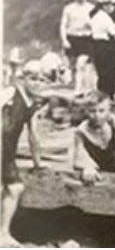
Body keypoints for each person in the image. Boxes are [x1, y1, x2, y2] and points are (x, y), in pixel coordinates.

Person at [0, 81, 45, 246]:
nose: (37, 83)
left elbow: (34, 137)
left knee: (15, 188)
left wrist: (38, 163)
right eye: (32, 78)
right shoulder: (11, 91)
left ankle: (3, 233)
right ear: (23, 79)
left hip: (7, 151)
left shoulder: (30, 104)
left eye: (41, 79)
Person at [60, 0, 95, 94]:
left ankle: (79, 89)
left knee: (82, 64)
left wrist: (91, 26)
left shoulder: (91, 8)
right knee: (72, 66)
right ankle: (76, 86)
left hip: (86, 38)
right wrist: (64, 40)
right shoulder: (69, 8)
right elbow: (63, 25)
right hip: (72, 38)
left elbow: (96, 24)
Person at [90, 0, 115, 98]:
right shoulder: (105, 17)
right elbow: (113, 34)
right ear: (105, 6)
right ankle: (108, 94)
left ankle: (102, 93)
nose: (112, 7)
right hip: (105, 45)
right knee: (108, 70)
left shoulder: (95, 16)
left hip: (96, 45)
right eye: (111, 5)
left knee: (101, 70)